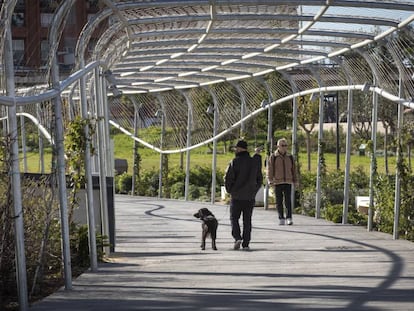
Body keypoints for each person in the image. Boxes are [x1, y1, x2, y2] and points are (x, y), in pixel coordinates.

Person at [224, 140, 263, 250]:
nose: (235, 150)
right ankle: (246, 243)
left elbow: (228, 178)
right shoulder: (253, 162)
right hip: (250, 197)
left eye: (236, 148)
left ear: (240, 149)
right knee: (247, 221)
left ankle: (237, 237)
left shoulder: (234, 162)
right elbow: (259, 179)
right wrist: (253, 191)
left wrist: (230, 190)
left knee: (234, 218)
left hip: (236, 196)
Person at [266, 138, 297, 225]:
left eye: (286, 145)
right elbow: (270, 169)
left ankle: (289, 217)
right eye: (282, 145)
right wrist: (270, 179)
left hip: (288, 181)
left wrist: (295, 180)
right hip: (277, 181)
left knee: (288, 201)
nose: (284, 147)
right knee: (278, 201)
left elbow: (294, 169)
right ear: (278, 146)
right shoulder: (273, 156)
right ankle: (281, 218)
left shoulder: (290, 157)